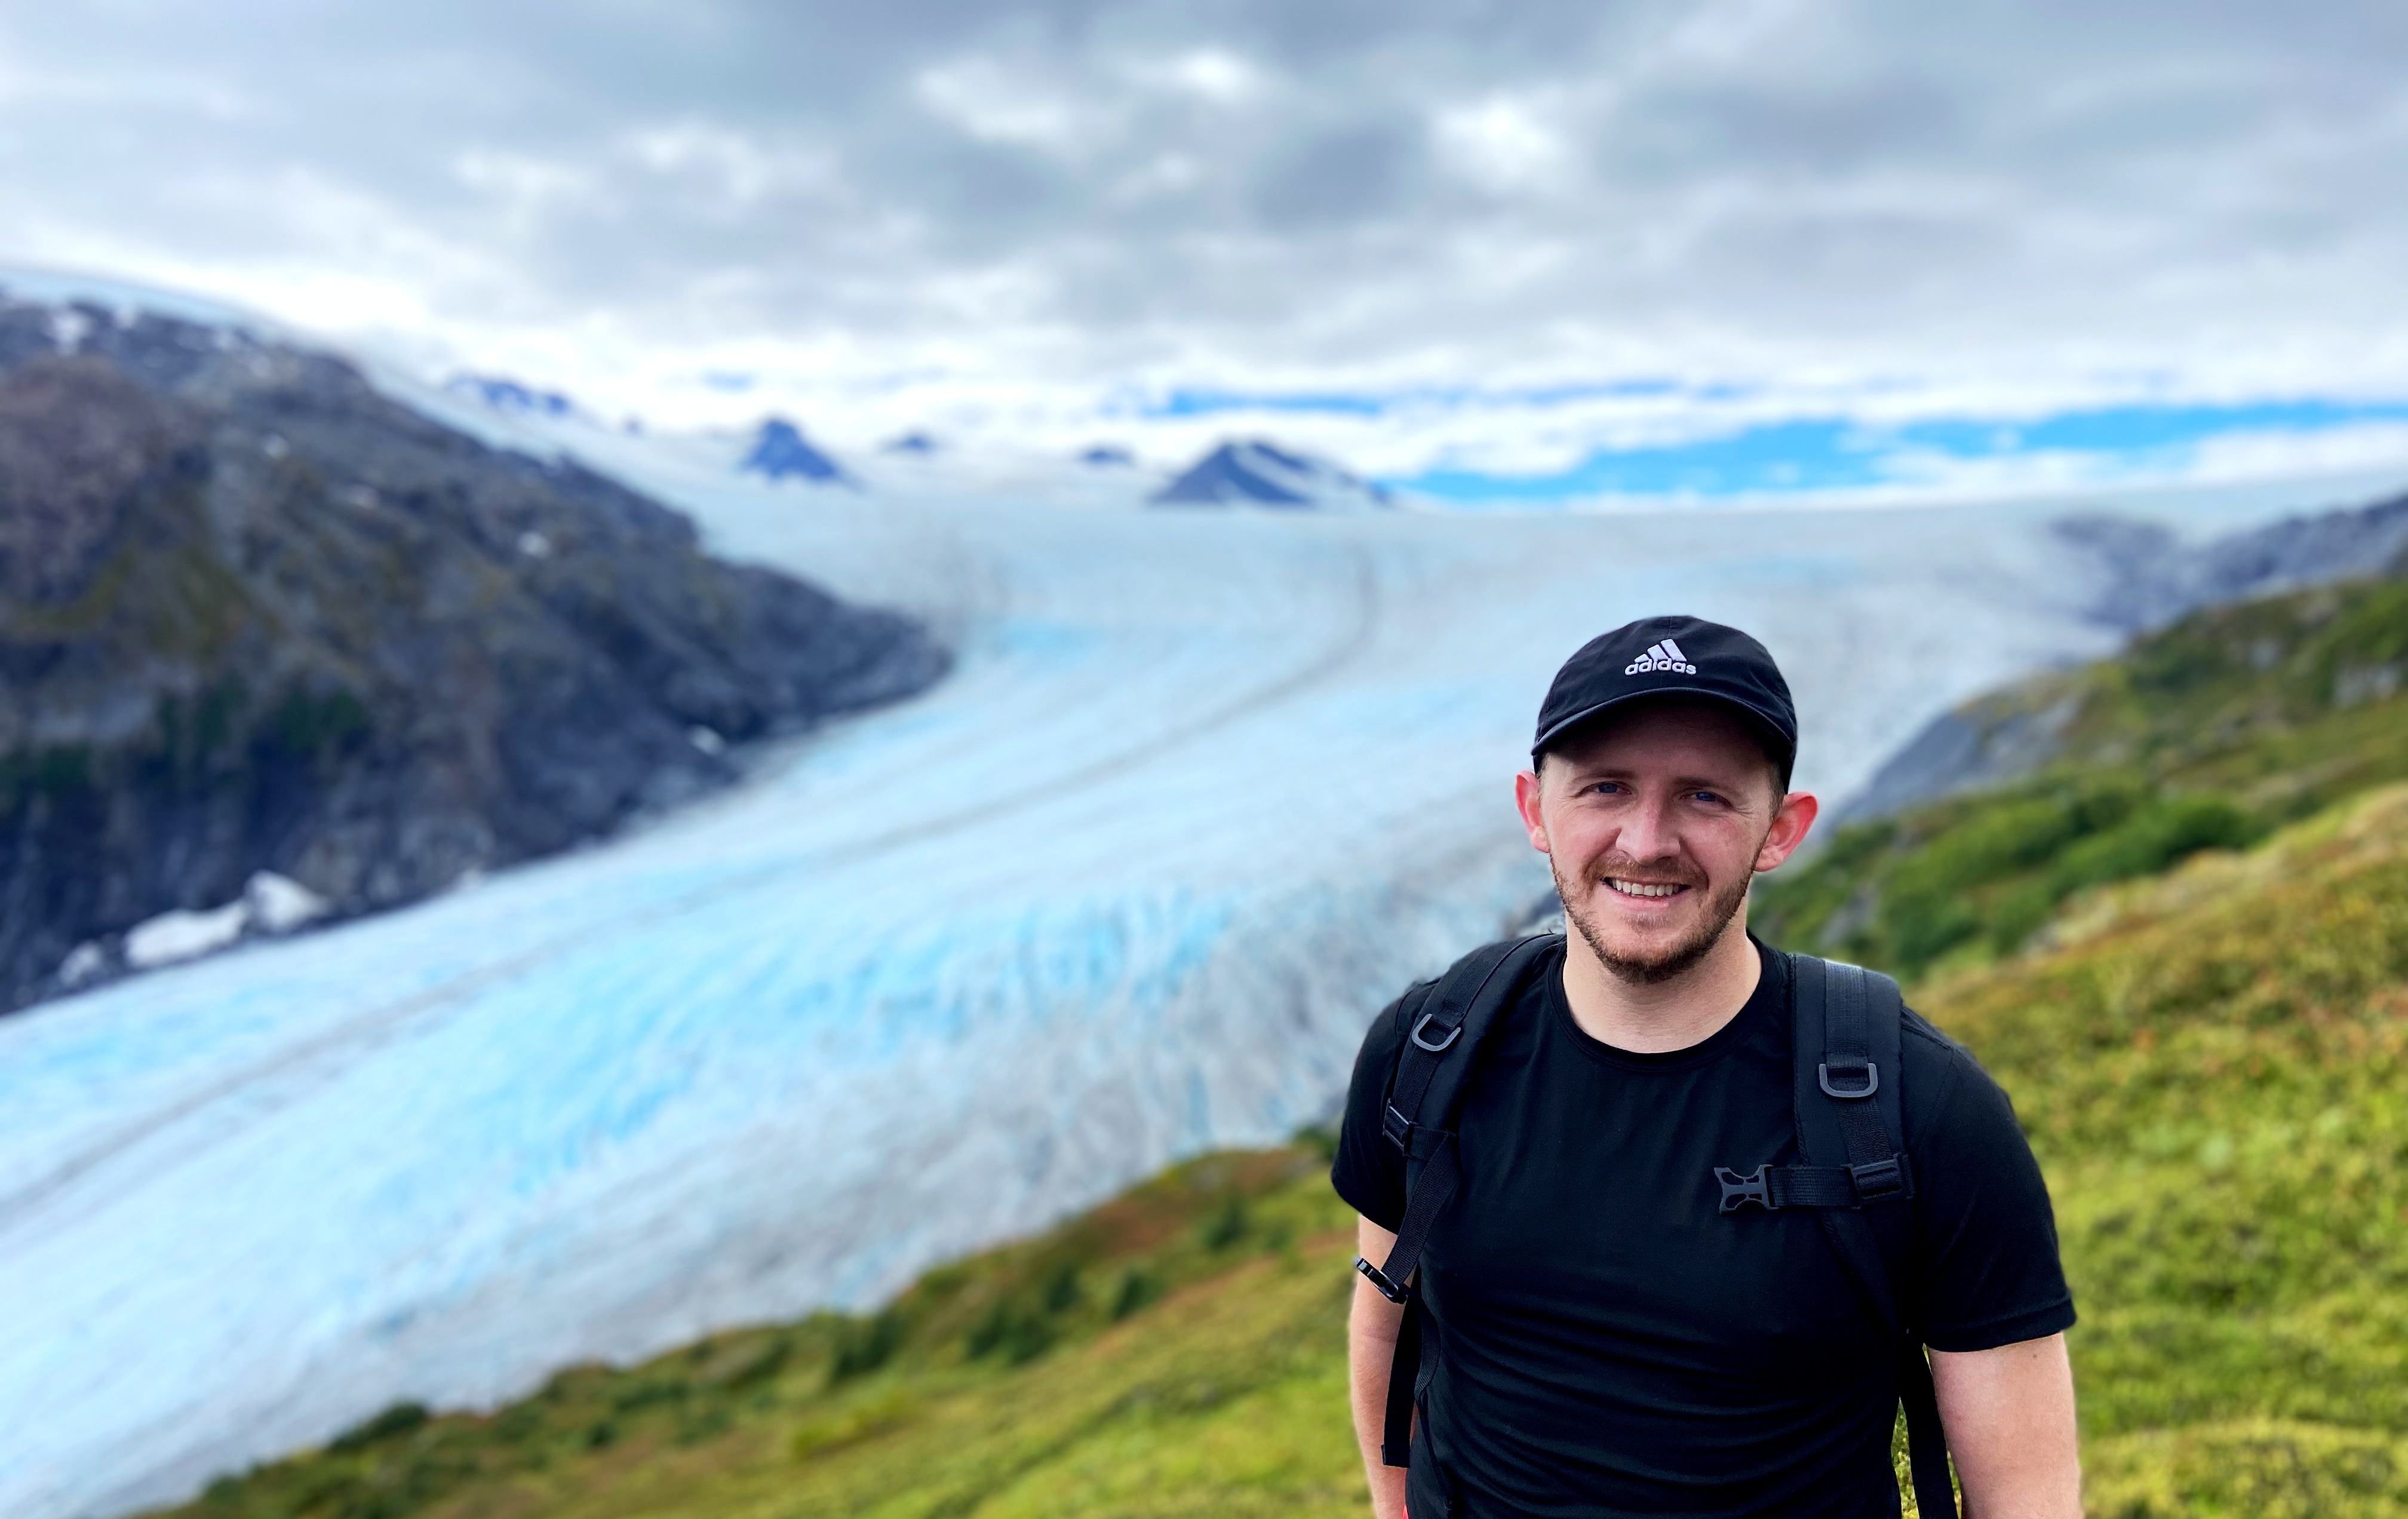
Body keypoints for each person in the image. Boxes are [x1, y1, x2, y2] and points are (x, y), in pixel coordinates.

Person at [1334, 616, 2080, 1519]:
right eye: (1607, 788)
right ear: (1536, 810)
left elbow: (2029, 1498)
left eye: (1706, 797)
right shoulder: (1429, 1050)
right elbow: (1385, 1318)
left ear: (1782, 829)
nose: (1647, 841)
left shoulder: (1923, 1109)